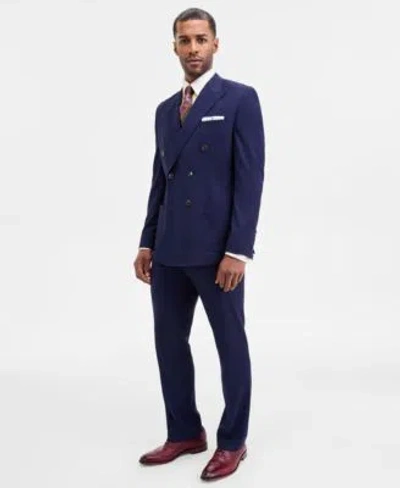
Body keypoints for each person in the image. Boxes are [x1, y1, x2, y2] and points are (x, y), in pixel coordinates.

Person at [133, 7, 265, 482]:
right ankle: (185, 432)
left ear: (215, 44)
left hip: (217, 253)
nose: (193, 48)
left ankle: (233, 441)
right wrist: (146, 241)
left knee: (231, 344)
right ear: (174, 46)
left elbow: (250, 180)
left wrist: (238, 251)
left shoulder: (240, 99)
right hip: (169, 249)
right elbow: (160, 181)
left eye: (201, 39)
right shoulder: (165, 110)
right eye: (185, 40)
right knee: (169, 344)